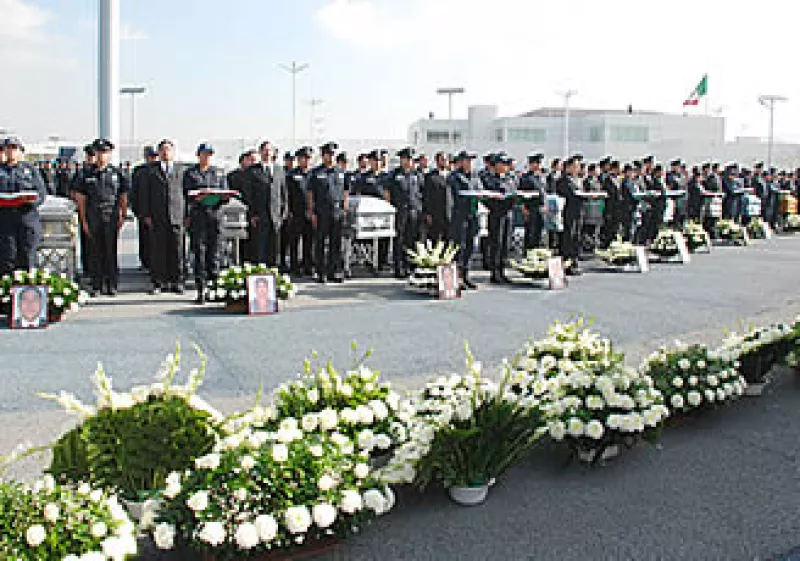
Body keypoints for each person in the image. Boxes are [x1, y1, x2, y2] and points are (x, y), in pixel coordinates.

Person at [73, 138, 129, 297]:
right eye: (98, 152)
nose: (101, 155)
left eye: (104, 152)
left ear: (110, 154)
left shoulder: (116, 173)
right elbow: (81, 198)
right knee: (94, 251)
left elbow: (123, 195)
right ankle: (96, 284)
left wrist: (123, 215)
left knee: (110, 250)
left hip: (110, 215)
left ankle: (111, 283)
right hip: (93, 215)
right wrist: (83, 219)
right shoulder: (85, 174)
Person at [139, 139, 185, 294]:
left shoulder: (181, 170)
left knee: (177, 250)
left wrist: (186, 213)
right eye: (163, 150)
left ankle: (177, 281)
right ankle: (159, 282)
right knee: (158, 250)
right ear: (158, 153)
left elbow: (185, 193)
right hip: (157, 215)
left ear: (173, 152)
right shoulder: (150, 171)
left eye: (169, 150)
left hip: (176, 215)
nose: (166, 153)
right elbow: (144, 194)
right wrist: (145, 214)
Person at [183, 143, 226, 303]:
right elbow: (185, 194)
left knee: (214, 253)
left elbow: (225, 193)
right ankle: (201, 289)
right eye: (204, 154)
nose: (206, 157)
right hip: (198, 216)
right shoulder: (190, 173)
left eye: (209, 154)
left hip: (214, 215)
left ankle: (215, 289)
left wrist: (219, 197)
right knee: (199, 253)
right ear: (198, 155)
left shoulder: (218, 173)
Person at [0, 136, 47, 276]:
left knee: (27, 256)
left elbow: (41, 192)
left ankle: (27, 293)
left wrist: (31, 200)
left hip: (26, 217)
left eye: (14, 149)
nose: (11, 152)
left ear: (21, 152)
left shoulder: (29, 170)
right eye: (8, 149)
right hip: (5, 219)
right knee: (7, 257)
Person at [308, 141, 348, 283]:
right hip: (321, 212)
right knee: (320, 242)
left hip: (336, 212)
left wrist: (345, 209)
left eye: (332, 154)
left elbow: (345, 192)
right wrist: (312, 212)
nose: (330, 157)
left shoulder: (341, 172)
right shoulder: (316, 173)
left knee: (335, 243)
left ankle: (333, 271)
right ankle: (320, 271)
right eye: (327, 154)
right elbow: (311, 193)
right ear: (322, 155)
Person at [242, 141, 287, 266]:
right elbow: (248, 196)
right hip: (260, 216)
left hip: (276, 216)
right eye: (265, 150)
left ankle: (273, 274)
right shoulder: (252, 171)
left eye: (270, 150)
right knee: (260, 248)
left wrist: (283, 213)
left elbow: (283, 193)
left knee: (274, 249)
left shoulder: (279, 170)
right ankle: (260, 275)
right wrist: (252, 214)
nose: (267, 153)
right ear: (260, 152)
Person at [386, 147, 423, 279]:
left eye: (411, 159)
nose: (408, 162)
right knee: (399, 240)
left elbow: (422, 192)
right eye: (406, 159)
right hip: (400, 211)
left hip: (415, 211)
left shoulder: (417, 174)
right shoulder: (394, 174)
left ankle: (411, 267)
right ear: (401, 160)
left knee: (412, 240)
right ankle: (399, 268)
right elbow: (386, 190)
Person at [448, 150, 481, 290]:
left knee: (470, 246)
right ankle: (457, 277)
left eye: (471, 161)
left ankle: (466, 275)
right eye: (467, 160)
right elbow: (452, 197)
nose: (469, 163)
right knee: (459, 248)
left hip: (472, 214)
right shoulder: (454, 177)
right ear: (460, 162)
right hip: (459, 216)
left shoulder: (475, 176)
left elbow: (480, 190)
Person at [484, 153, 516, 283]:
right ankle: (495, 271)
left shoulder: (510, 178)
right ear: (496, 165)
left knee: (505, 243)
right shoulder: (489, 179)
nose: (505, 167)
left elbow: (514, 192)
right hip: (496, 213)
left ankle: (502, 270)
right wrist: (495, 201)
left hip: (508, 213)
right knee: (496, 242)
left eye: (506, 164)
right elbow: (486, 197)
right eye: (502, 164)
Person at [284, 146, 314, 276]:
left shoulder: (314, 174)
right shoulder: (291, 175)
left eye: (308, 158)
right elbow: (286, 194)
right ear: (298, 159)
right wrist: (288, 211)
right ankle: (295, 266)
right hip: (296, 212)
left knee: (309, 241)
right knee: (294, 242)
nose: (306, 161)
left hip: (310, 212)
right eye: (303, 158)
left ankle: (308, 265)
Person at [130, 146, 158, 272]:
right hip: (143, 209)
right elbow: (134, 192)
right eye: (150, 156)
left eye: (154, 156)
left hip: (157, 210)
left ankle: (155, 263)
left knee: (156, 239)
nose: (152, 159)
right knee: (144, 238)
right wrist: (136, 210)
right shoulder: (139, 171)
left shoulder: (159, 170)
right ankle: (145, 261)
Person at [422, 152, 453, 242]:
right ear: (437, 161)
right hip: (436, 216)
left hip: (449, 215)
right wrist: (427, 213)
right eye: (442, 160)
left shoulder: (452, 176)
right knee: (435, 241)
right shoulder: (430, 177)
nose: (444, 162)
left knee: (449, 241)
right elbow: (426, 196)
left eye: (446, 160)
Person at [518, 153, 546, 250]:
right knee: (530, 232)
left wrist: (544, 205)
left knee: (539, 231)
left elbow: (543, 192)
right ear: (530, 164)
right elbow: (521, 193)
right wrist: (523, 207)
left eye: (539, 163)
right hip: (531, 207)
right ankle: (528, 252)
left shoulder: (541, 177)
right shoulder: (526, 177)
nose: (538, 165)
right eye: (536, 163)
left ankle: (536, 251)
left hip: (540, 208)